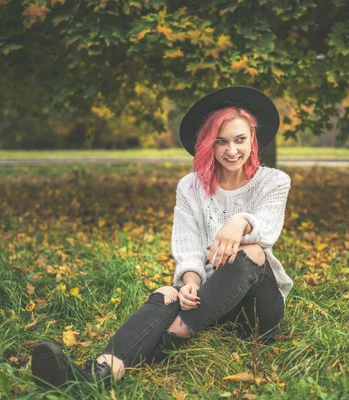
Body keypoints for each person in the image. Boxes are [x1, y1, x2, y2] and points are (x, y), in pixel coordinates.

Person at [31, 86, 293, 388]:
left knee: (251, 253)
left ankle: (176, 332)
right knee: (168, 292)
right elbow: (188, 247)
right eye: (221, 142)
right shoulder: (190, 187)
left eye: (239, 139)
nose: (231, 150)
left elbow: (268, 229)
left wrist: (239, 222)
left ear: (253, 139)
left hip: (258, 311)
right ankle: (99, 372)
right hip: (212, 302)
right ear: (208, 144)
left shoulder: (274, 181)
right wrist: (192, 286)